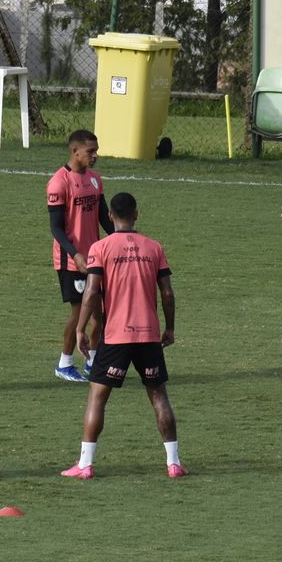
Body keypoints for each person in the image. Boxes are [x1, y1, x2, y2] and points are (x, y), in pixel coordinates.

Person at [60, 192, 183, 480]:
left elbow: (91, 292)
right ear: (136, 214)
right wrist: (170, 328)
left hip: (116, 336)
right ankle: (173, 463)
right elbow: (166, 291)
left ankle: (85, 465)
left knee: (97, 397)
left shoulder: (100, 248)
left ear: (111, 216)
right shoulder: (154, 248)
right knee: (158, 396)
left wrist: (80, 328)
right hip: (148, 335)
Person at [46, 129, 112, 382]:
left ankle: (93, 361)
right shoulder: (59, 182)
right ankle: (64, 363)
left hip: (95, 259)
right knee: (79, 314)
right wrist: (76, 255)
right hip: (71, 261)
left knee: (101, 314)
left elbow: (104, 218)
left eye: (96, 151)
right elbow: (56, 228)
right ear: (75, 151)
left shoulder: (95, 180)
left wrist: (126, 237)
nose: (95, 156)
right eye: (90, 151)